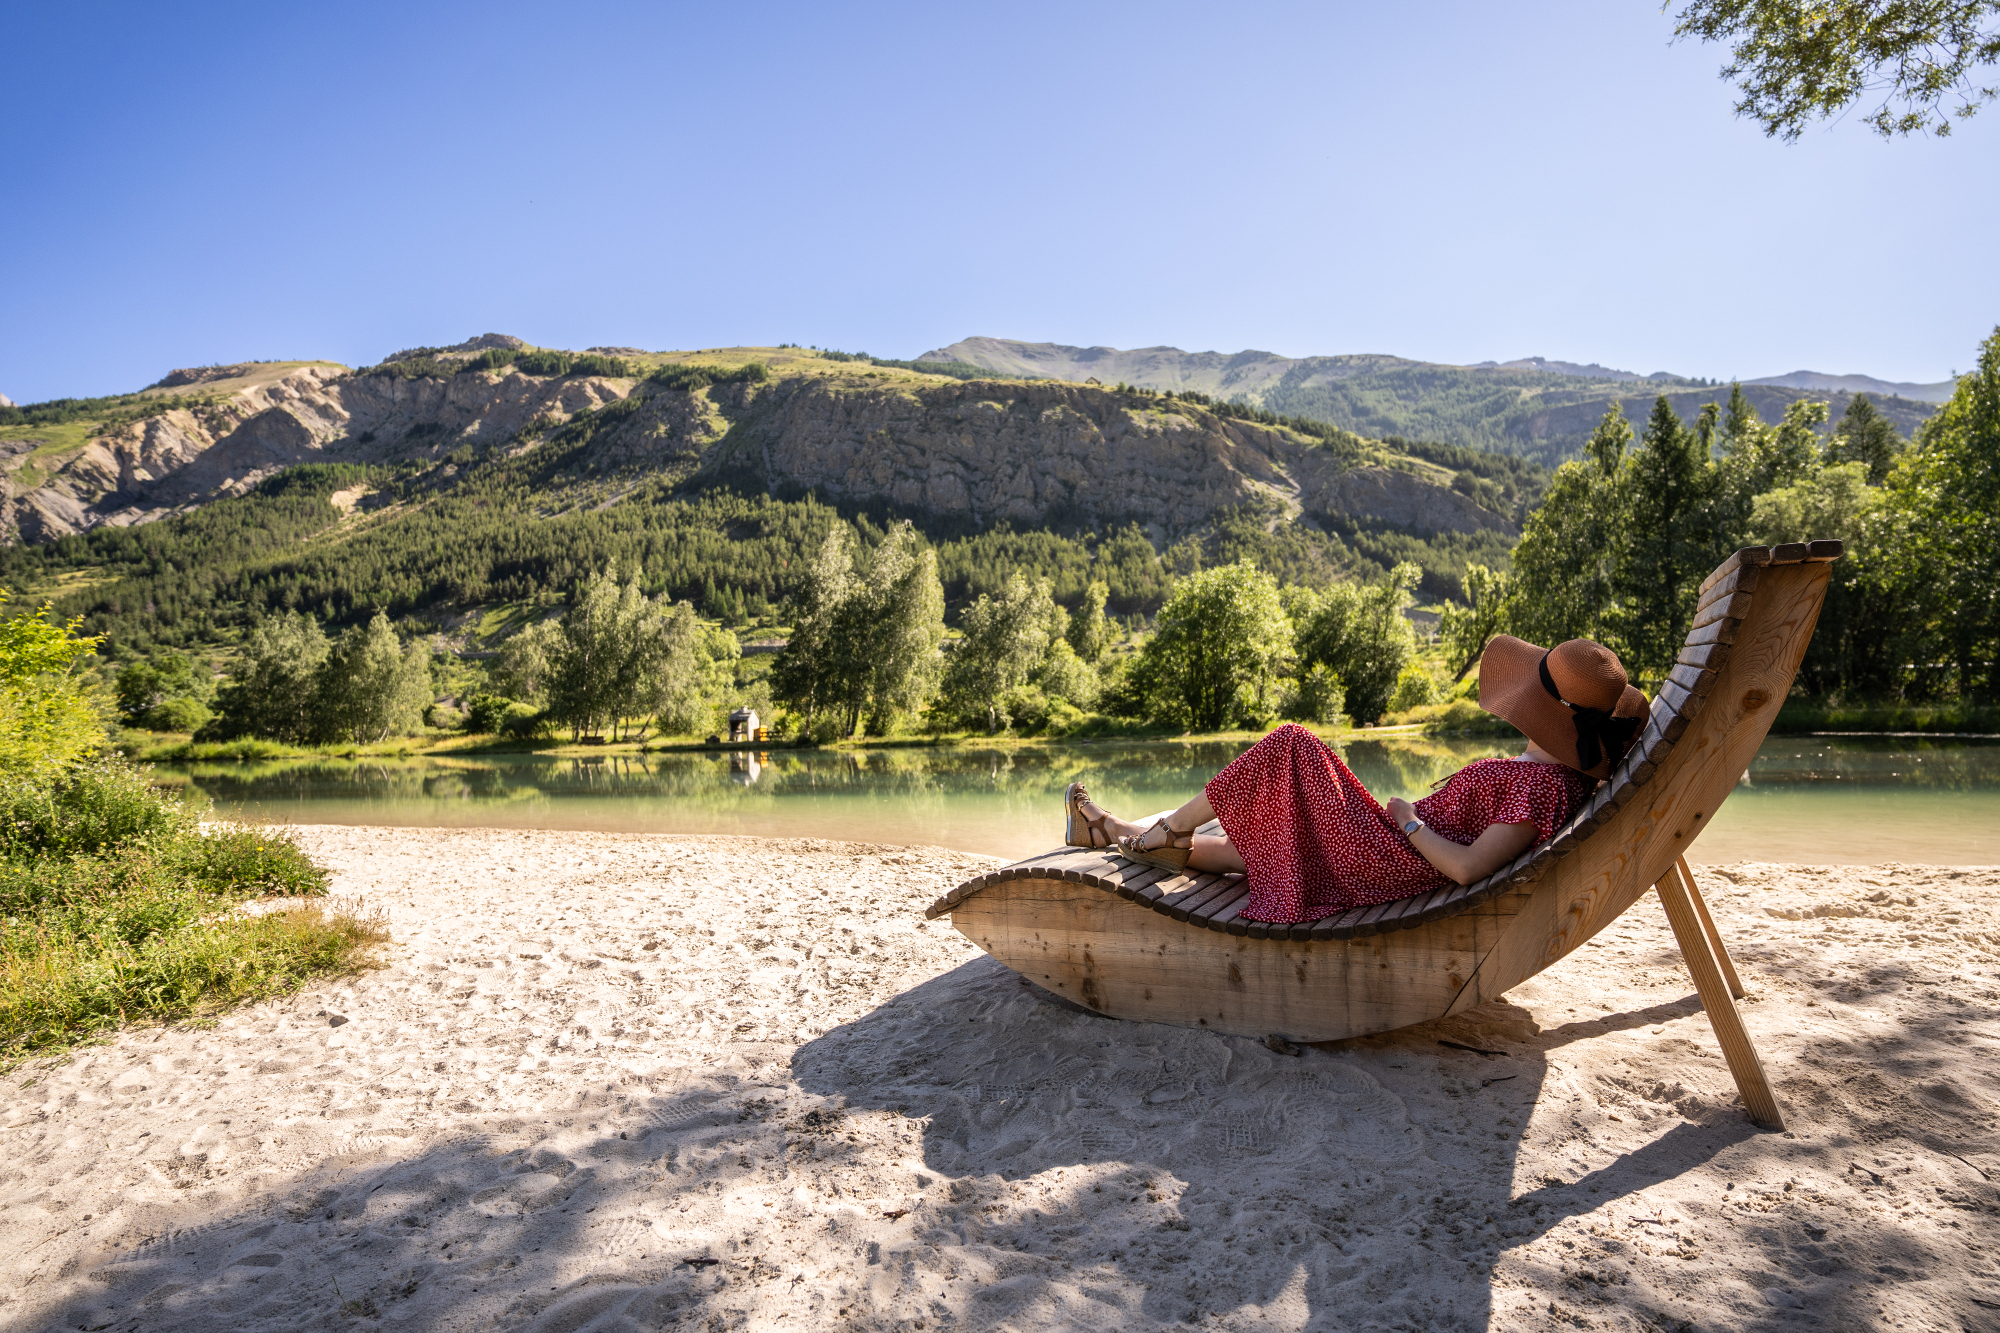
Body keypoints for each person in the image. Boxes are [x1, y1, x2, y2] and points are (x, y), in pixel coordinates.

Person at [1062, 635, 1649, 925]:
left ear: (1554, 719)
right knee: (1262, 834)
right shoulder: (1544, 775)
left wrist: (1408, 819)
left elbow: (1469, 870)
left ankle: (1165, 830)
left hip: (1386, 853)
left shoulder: (1541, 788)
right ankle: (1114, 830)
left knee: (1293, 742)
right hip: (1380, 844)